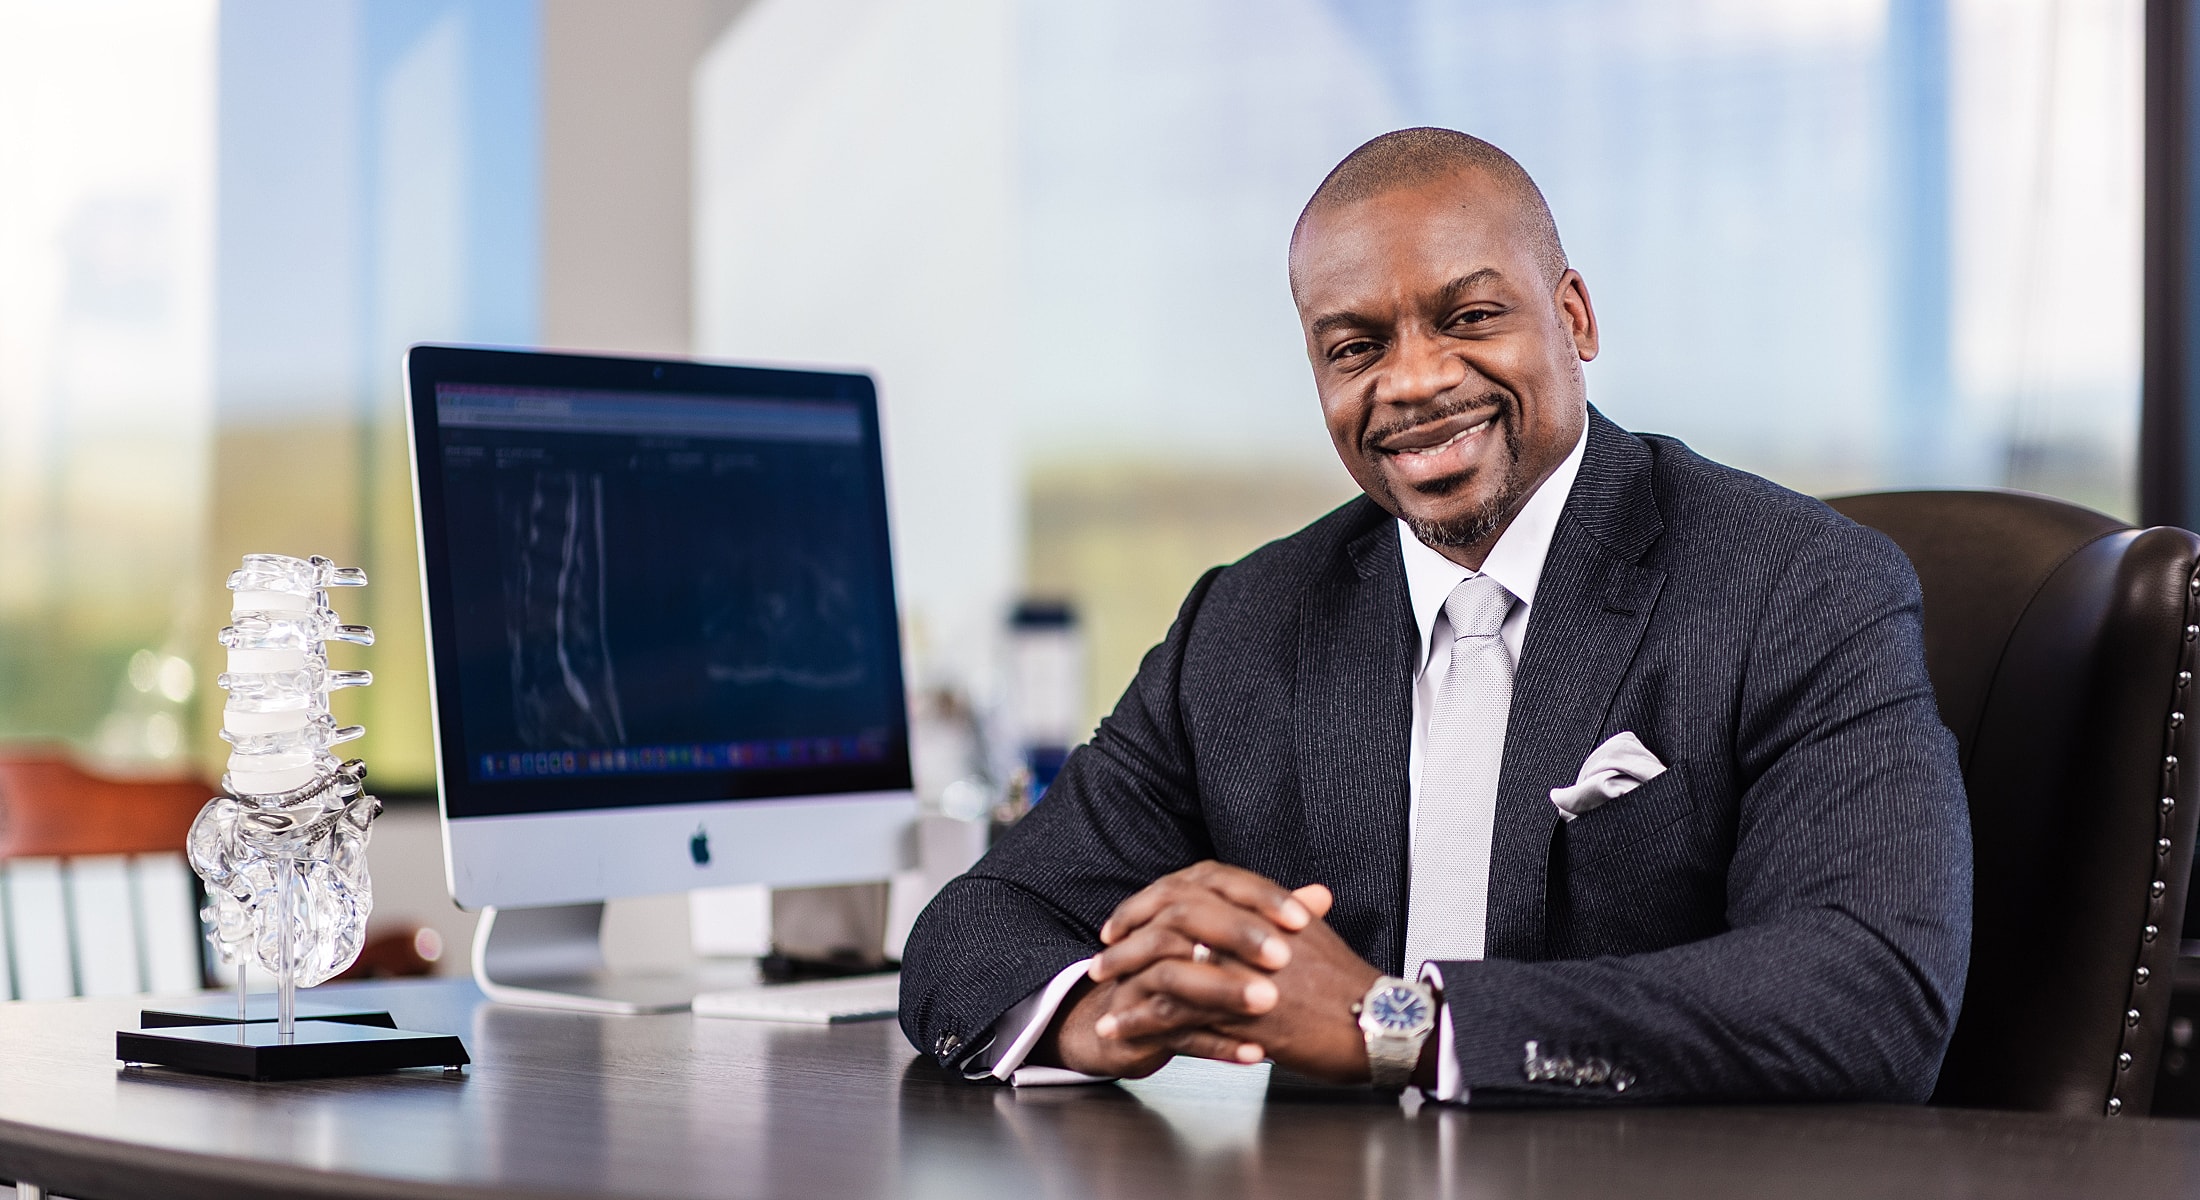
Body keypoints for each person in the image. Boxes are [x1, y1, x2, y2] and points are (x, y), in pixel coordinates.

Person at [899, 127, 1972, 1104]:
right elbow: (976, 925)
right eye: (1355, 348)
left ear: (1573, 317)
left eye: (1469, 319)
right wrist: (1095, 1014)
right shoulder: (1247, 623)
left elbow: (1870, 986)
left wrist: (1400, 1028)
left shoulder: (1797, 585)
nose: (1412, 382)